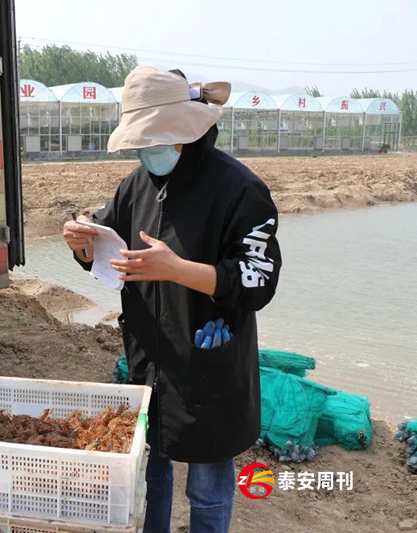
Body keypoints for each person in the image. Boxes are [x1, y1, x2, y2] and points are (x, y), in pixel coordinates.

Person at [63, 67, 282, 533]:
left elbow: (257, 282)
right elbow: (109, 248)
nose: (146, 152)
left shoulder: (240, 190)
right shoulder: (135, 185)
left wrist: (176, 270)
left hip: (210, 364)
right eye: (139, 143)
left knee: (207, 487)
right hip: (149, 361)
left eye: (153, 141)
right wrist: (83, 244)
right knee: (152, 473)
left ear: (185, 132)